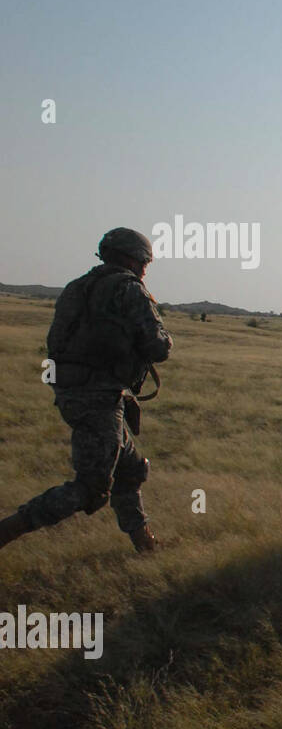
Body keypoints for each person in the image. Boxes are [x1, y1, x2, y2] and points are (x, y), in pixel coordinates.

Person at [0, 228, 172, 552]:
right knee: (92, 488)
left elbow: (56, 344)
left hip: (72, 394)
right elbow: (158, 347)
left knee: (131, 469)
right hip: (100, 400)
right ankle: (7, 531)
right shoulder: (129, 289)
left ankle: (146, 547)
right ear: (130, 259)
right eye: (143, 262)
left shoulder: (75, 288)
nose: (145, 269)